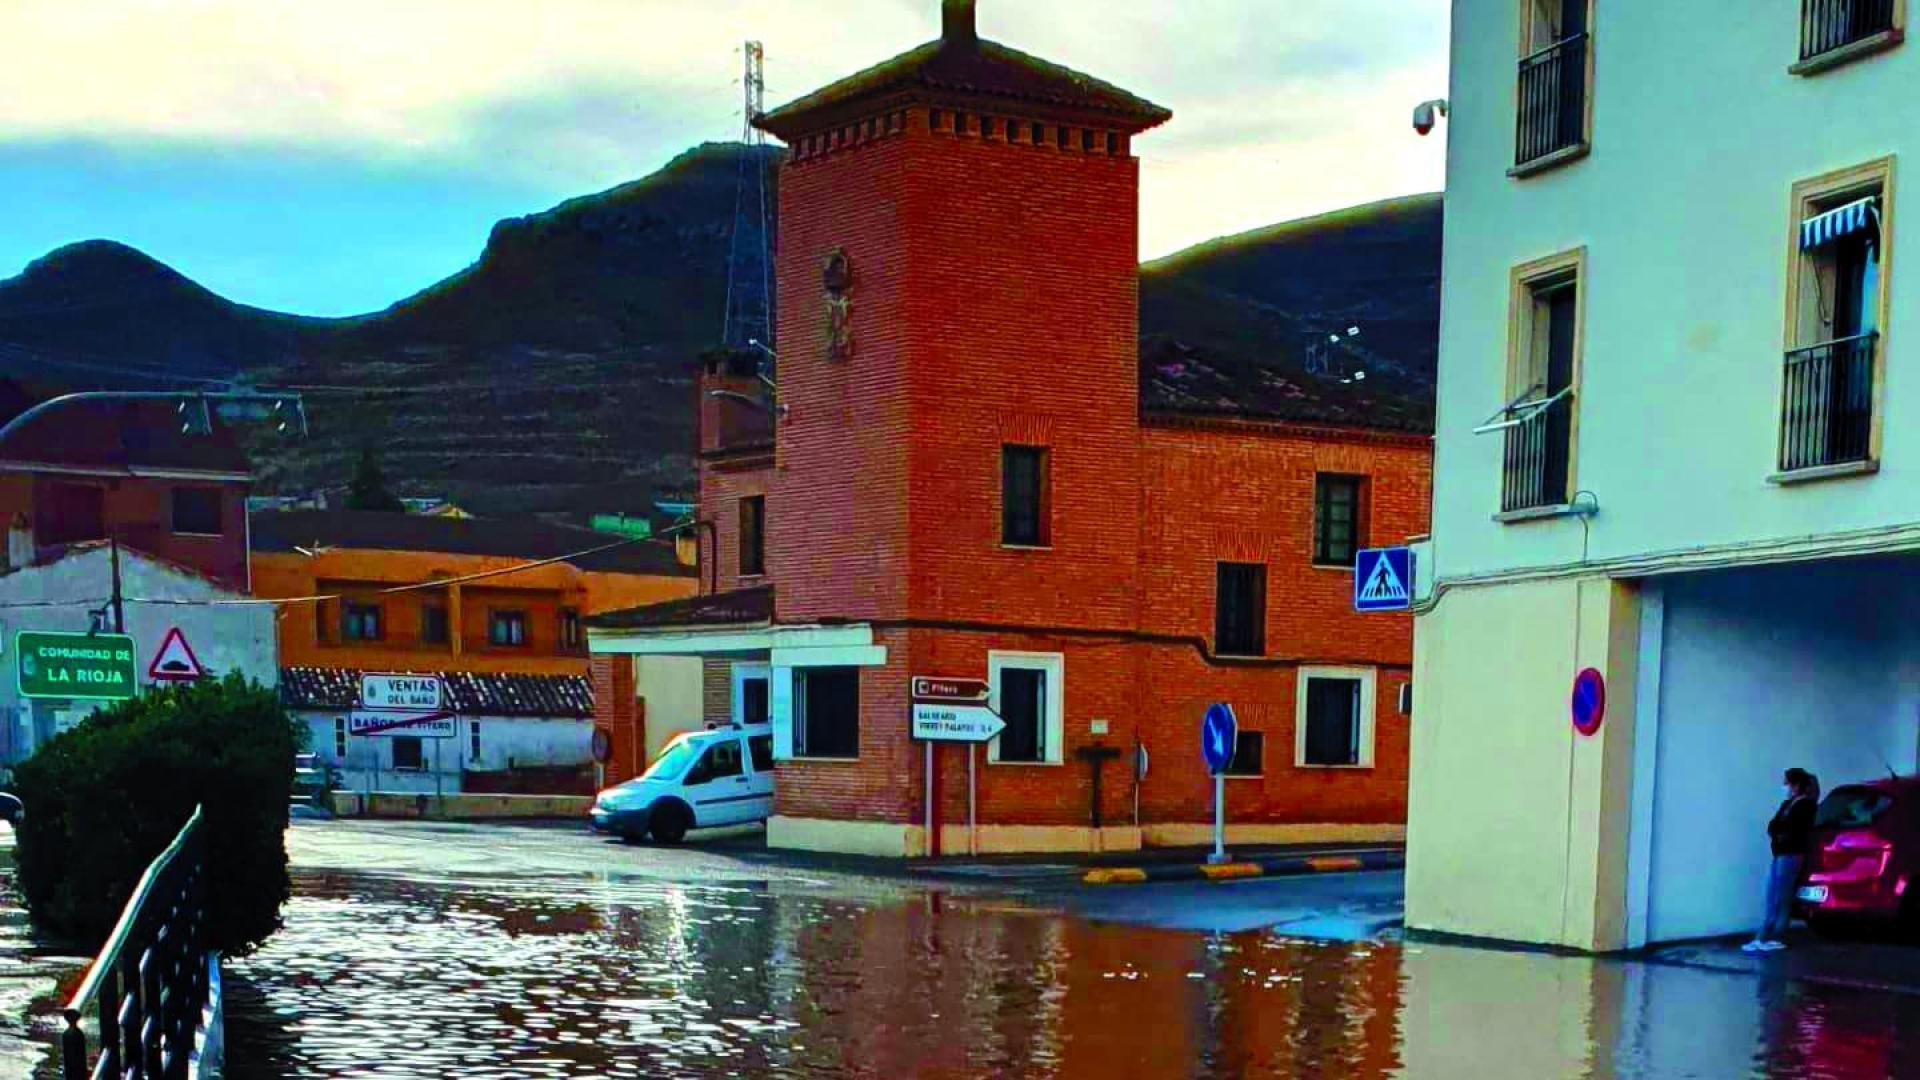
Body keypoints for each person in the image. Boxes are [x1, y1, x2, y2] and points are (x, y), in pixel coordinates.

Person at [1744, 767, 1819, 953]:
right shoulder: (1788, 804)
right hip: (1780, 853)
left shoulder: (1806, 806)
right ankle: (1768, 935)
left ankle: (1772, 935)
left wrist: (1781, 831)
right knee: (1773, 892)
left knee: (1781, 894)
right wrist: (1780, 831)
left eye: (1786, 782)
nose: (1784, 786)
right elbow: (1773, 825)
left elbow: (1792, 828)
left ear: (1796, 785)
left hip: (1792, 853)